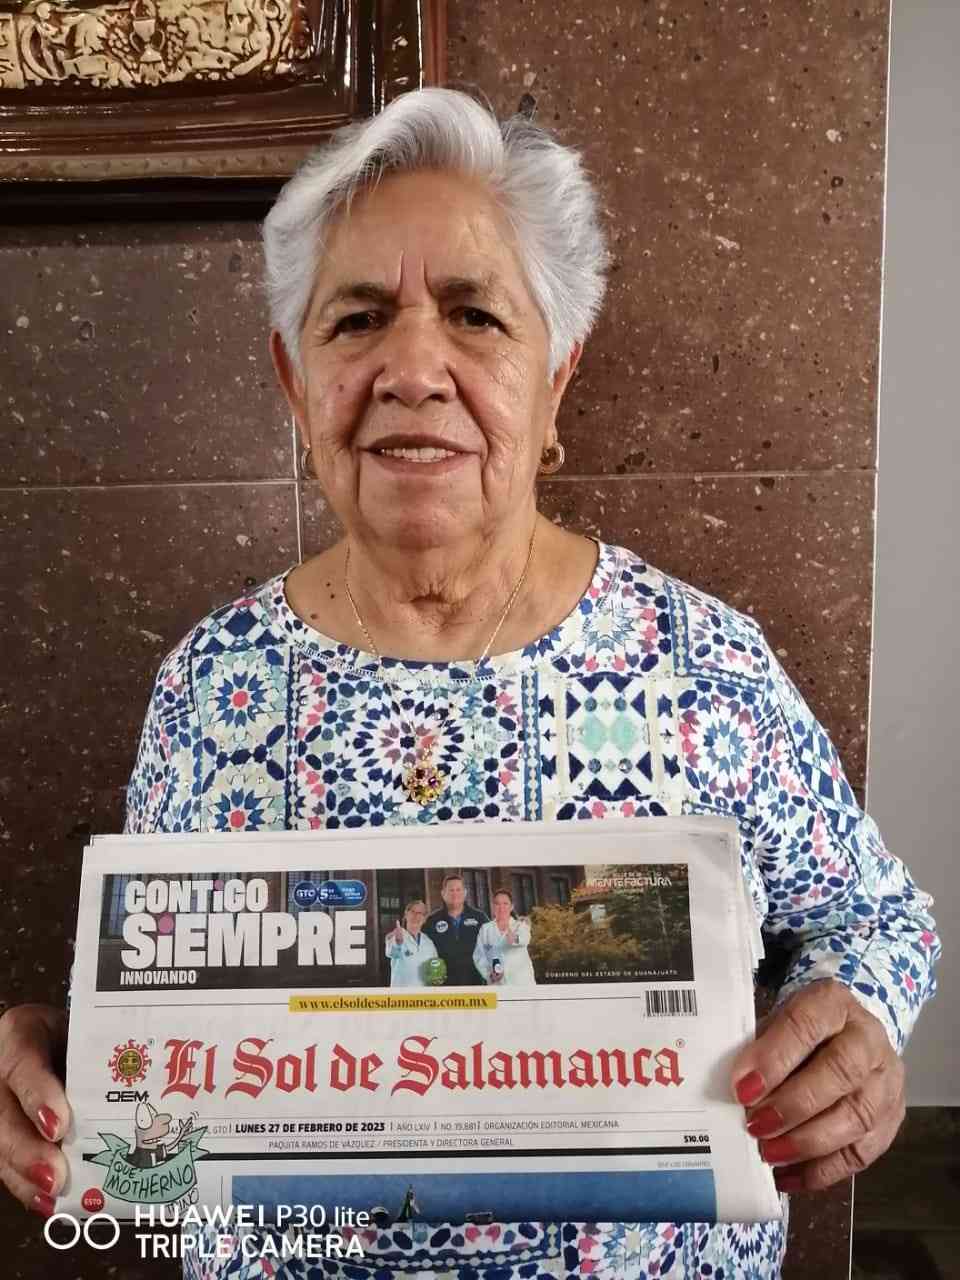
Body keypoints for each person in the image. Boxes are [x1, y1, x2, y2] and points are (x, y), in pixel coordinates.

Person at [0, 87, 939, 1280]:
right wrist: (72, 1068)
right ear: (295, 382)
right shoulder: (211, 683)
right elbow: (177, 1037)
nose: (412, 368)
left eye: (475, 315)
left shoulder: (702, 665)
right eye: (356, 321)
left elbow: (876, 917)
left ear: (555, 379)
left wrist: (854, 1027)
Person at [421, 873, 489, 985]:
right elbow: (421, 950)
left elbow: (492, 946)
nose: (455, 893)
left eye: (458, 890)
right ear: (443, 893)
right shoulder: (432, 921)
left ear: (465, 893)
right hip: (444, 986)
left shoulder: (480, 917)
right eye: (451, 890)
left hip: (476, 983)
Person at [474, 888, 536, 986]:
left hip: (522, 983)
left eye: (505, 903)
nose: (501, 907)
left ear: (511, 907)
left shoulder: (520, 925)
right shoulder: (485, 929)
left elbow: (525, 939)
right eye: (497, 904)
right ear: (493, 906)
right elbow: (479, 956)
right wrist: (489, 975)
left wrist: (515, 939)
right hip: (498, 984)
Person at [384, 899, 438, 986]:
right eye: (413, 912)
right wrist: (398, 942)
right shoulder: (396, 935)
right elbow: (392, 953)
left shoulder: (428, 942)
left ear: (424, 919)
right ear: (406, 914)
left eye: (420, 913)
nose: (416, 916)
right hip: (402, 993)